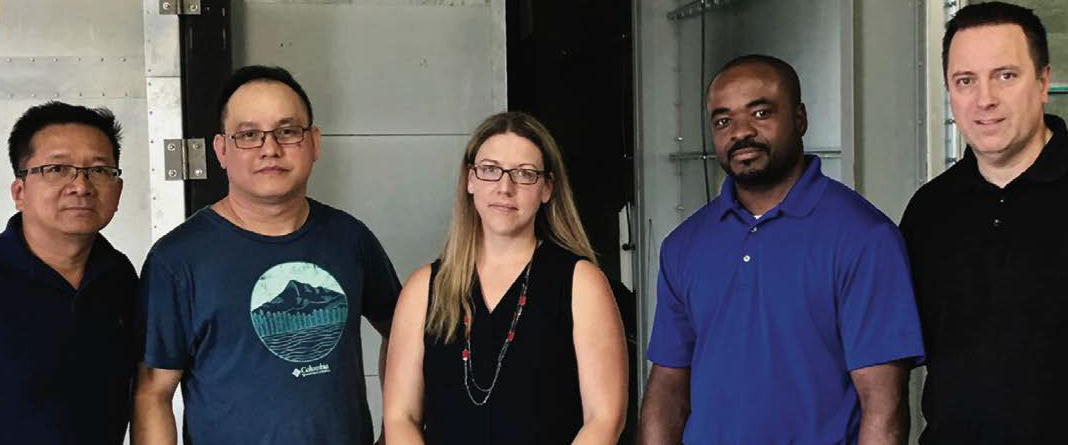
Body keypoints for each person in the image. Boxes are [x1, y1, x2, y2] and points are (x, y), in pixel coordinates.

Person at [639, 55, 925, 445]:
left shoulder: (865, 238)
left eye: (760, 113)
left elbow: (884, 406)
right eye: (723, 121)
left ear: (801, 119)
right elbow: (668, 388)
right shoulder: (684, 245)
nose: (741, 132)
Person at [132, 66, 401, 444]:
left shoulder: (350, 239)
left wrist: (397, 430)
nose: (270, 148)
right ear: (221, 151)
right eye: (248, 135)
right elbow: (152, 393)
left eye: (288, 131)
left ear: (314, 143)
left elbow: (403, 333)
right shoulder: (177, 260)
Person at [382, 111, 627, 445]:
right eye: (490, 170)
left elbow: (605, 419)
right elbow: (400, 417)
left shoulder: (581, 284)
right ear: (470, 179)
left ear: (546, 188)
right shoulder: (423, 289)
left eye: (525, 174)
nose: (504, 187)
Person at [899, 2, 1066, 443]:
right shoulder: (928, 212)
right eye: (965, 80)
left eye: (1005, 75)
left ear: (1043, 81)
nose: (984, 98)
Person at [0, 101, 136, 444]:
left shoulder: (119, 277)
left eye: (100, 170)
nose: (81, 185)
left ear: (117, 191)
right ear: (20, 192)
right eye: (58, 168)